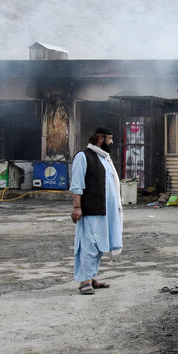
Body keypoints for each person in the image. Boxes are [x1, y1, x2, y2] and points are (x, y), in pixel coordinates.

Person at [70, 126, 123, 295]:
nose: (112, 142)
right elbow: (77, 184)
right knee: (88, 245)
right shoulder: (83, 157)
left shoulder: (105, 159)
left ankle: (91, 277)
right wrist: (77, 207)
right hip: (91, 209)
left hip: (106, 211)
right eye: (110, 138)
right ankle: (84, 281)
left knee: (100, 246)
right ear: (100, 139)